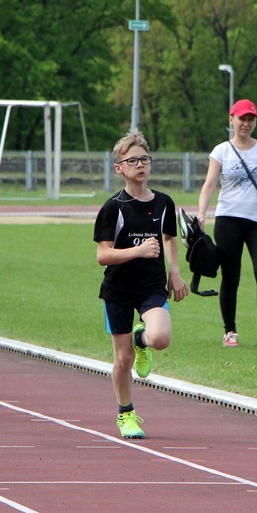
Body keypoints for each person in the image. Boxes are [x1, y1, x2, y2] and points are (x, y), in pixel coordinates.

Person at [94, 129, 189, 439]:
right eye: (132, 160)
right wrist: (138, 251)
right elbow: (102, 255)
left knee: (160, 337)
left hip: (151, 286)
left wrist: (175, 272)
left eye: (144, 159)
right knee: (123, 360)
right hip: (118, 290)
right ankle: (126, 414)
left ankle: (142, 339)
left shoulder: (164, 203)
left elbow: (170, 238)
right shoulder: (113, 207)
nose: (140, 164)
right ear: (119, 168)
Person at [196, 99, 257, 349]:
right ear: (231, 120)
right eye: (242, 118)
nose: (246, 123)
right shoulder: (221, 150)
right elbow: (209, 184)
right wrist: (202, 214)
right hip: (228, 220)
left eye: (250, 119)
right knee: (231, 277)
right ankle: (230, 331)